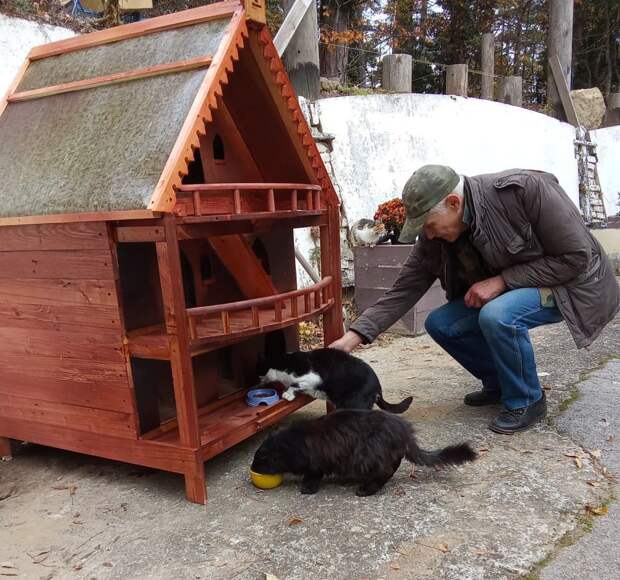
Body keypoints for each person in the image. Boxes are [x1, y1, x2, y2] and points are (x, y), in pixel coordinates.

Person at [330, 165, 620, 434]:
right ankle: (500, 384)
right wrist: (351, 339)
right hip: (514, 290)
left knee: (498, 315)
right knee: (441, 323)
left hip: (571, 285)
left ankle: (527, 400)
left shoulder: (524, 190)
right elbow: (403, 290)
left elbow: (577, 257)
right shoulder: (435, 237)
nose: (427, 234)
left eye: (429, 225)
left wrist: (501, 281)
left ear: (454, 204)